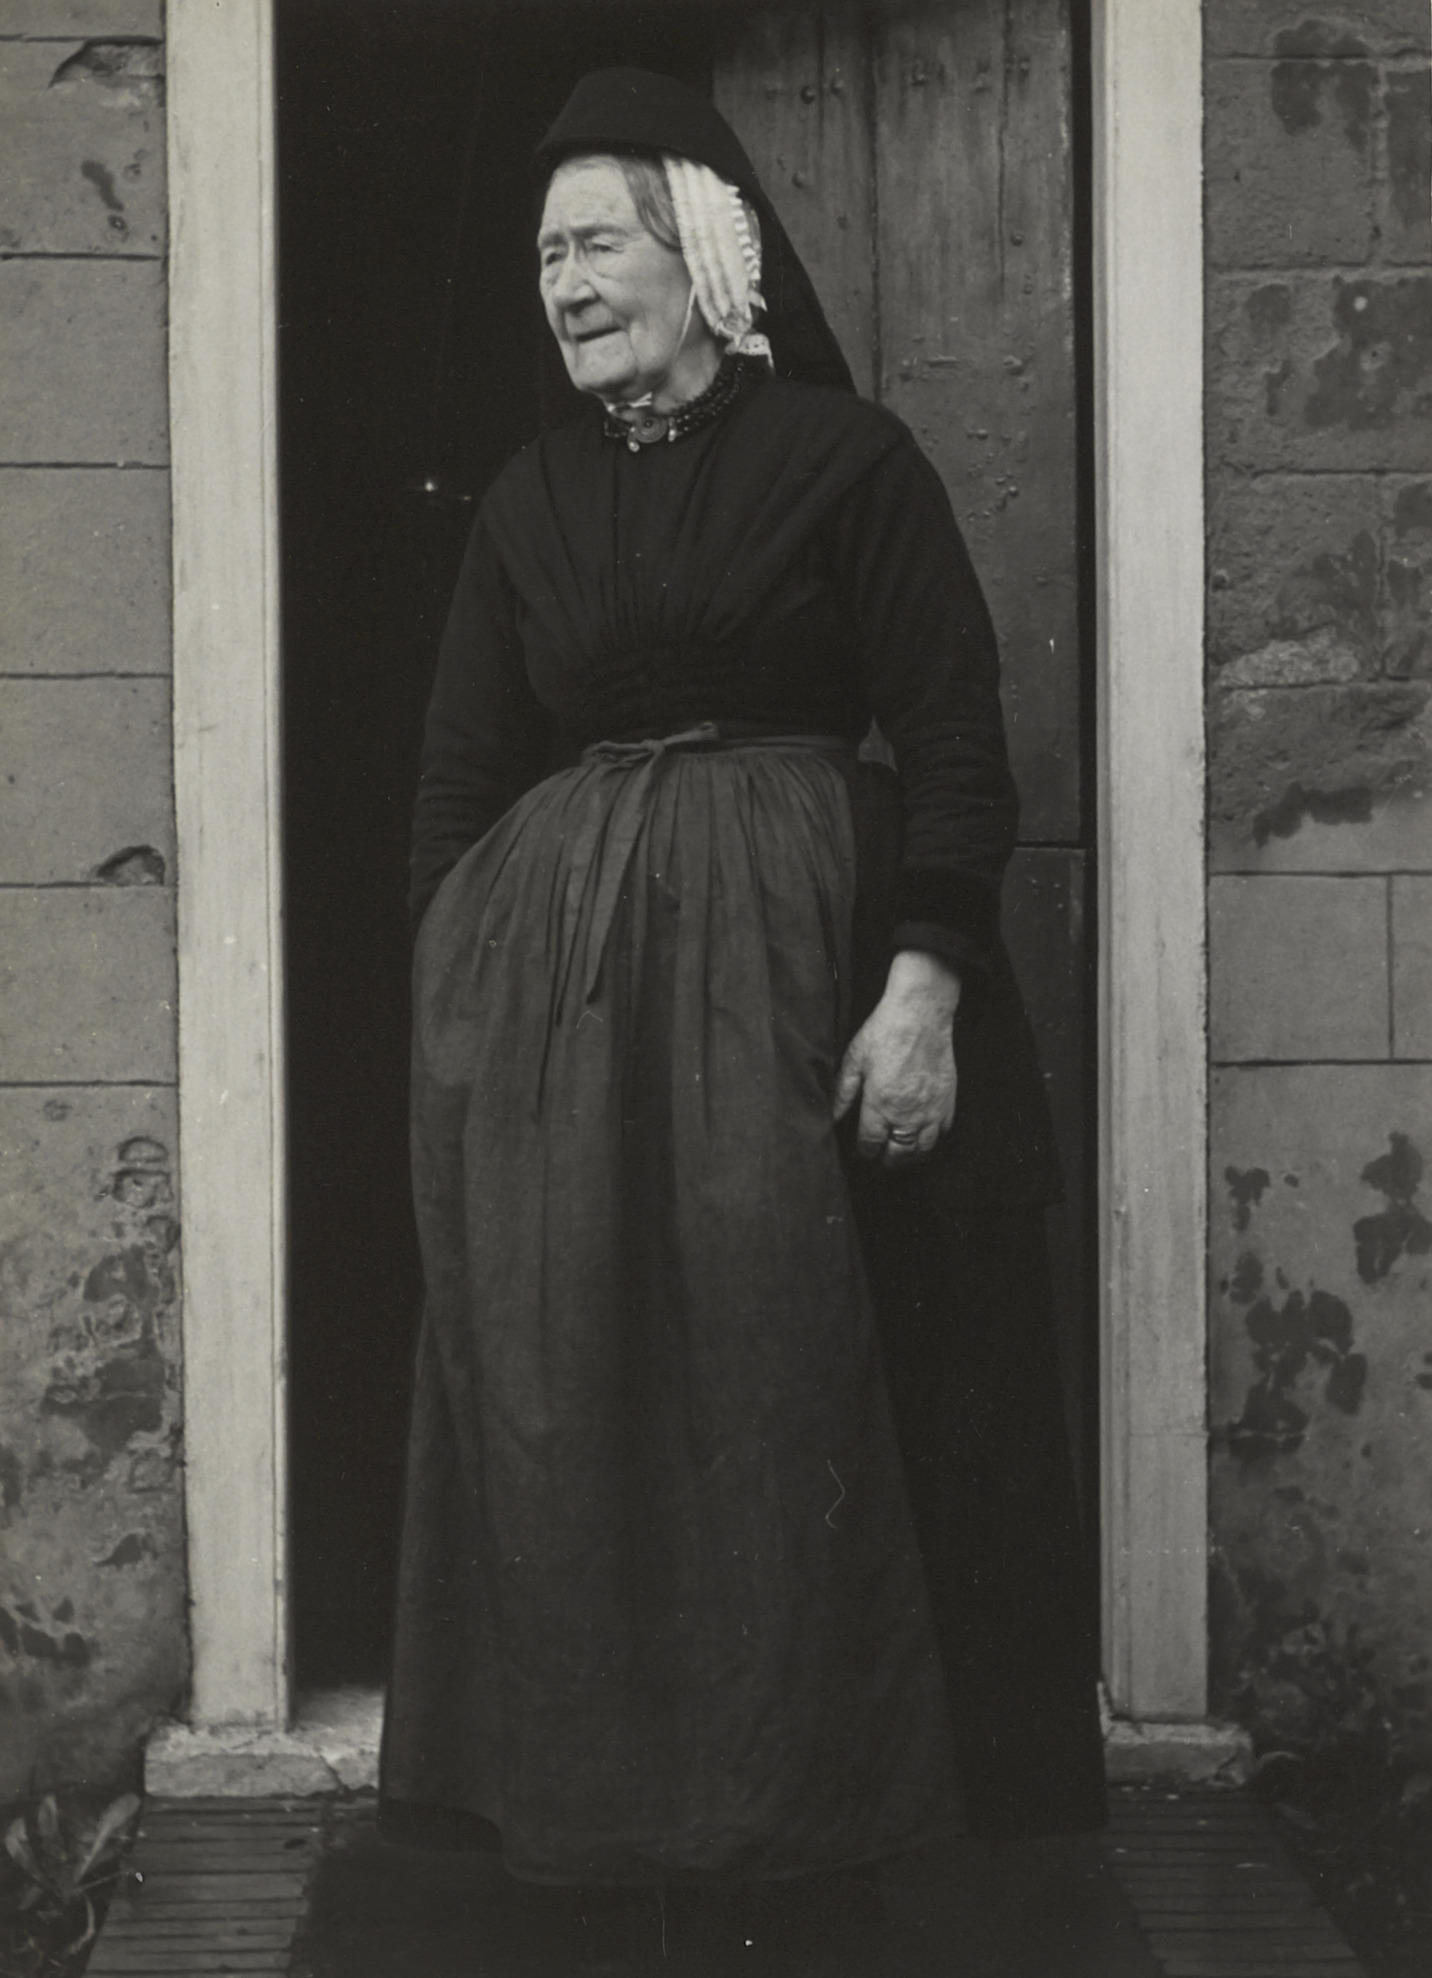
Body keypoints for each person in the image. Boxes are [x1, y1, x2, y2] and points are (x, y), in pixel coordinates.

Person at [380, 60, 1105, 1951]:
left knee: (792, 1381)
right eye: (546, 255)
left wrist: (923, 989)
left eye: (595, 243)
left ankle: (818, 1811)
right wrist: (464, 998)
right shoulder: (529, 499)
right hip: (568, 1044)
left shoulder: (846, 463)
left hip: (806, 992)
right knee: (587, 1393)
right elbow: (456, 779)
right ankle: (621, 1806)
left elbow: (953, 734)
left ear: (700, 253)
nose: (562, 283)